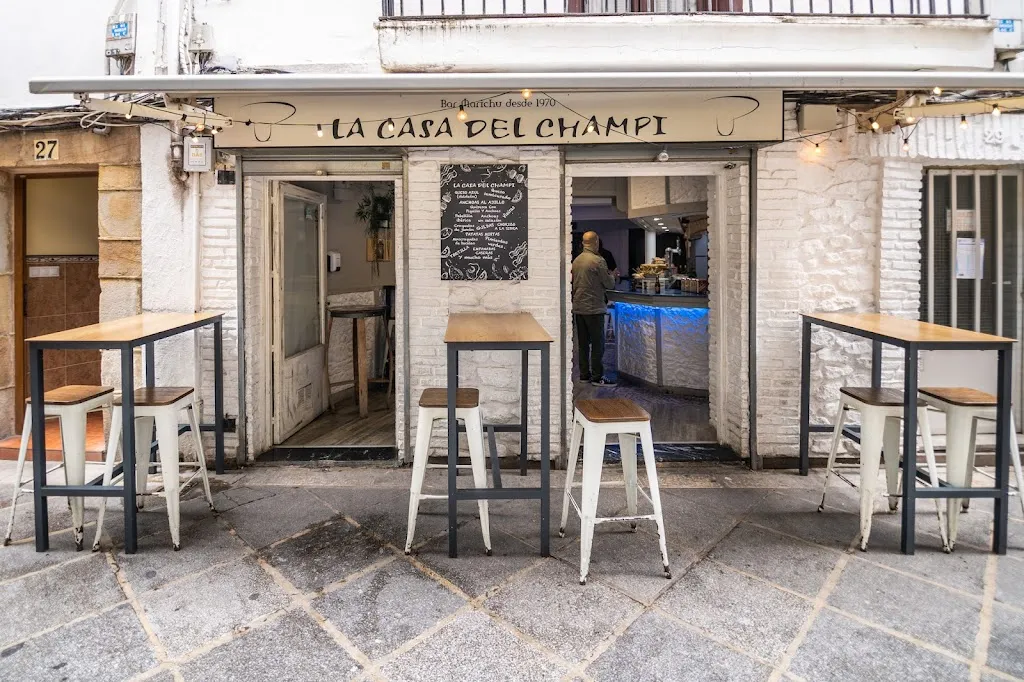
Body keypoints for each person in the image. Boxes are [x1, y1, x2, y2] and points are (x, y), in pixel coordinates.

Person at [572, 231, 617, 387]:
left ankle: (584, 375)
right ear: (596, 242)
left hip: (578, 307)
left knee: (583, 344)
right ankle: (598, 377)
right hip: (594, 308)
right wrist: (613, 276)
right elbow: (609, 284)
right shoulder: (598, 261)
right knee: (598, 344)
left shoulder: (576, 261)